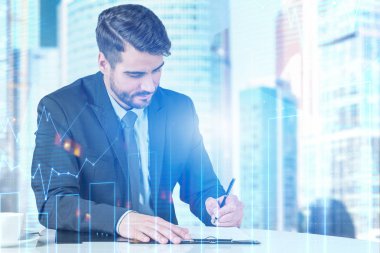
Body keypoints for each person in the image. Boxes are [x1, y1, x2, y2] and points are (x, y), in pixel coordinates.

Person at [31, 4, 243, 244]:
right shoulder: (61, 109)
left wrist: (219, 207)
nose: (150, 86)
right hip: (96, 245)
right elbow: (53, 202)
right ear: (104, 63)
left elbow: (202, 186)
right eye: (135, 75)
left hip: (166, 247)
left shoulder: (179, 108)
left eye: (156, 71)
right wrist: (121, 220)